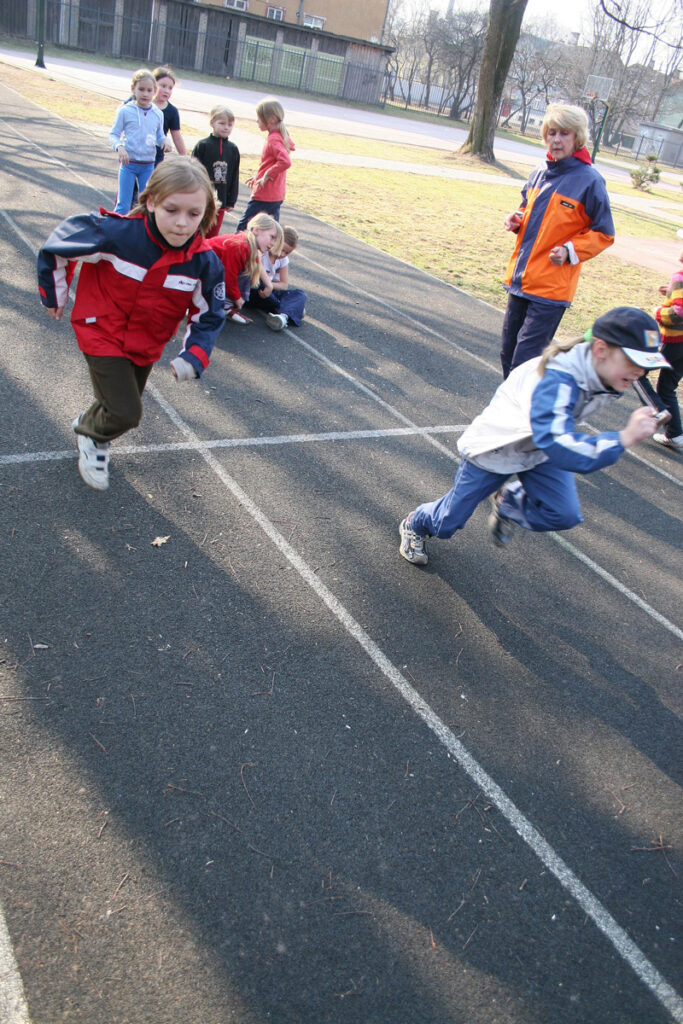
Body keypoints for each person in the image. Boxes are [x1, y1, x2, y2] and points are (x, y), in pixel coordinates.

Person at [398, 307, 669, 567]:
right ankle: (416, 522)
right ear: (600, 350)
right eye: (634, 363)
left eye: (646, 366)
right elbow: (561, 447)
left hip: (542, 447)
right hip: (498, 449)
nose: (641, 373)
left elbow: (554, 439)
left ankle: (508, 500)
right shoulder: (557, 381)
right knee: (446, 523)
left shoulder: (604, 372)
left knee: (563, 513)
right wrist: (624, 437)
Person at [37, 157, 225, 491]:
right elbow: (57, 247)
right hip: (101, 330)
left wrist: (194, 355)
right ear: (151, 201)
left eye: (193, 214)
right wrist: (55, 293)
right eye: (171, 210)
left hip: (147, 342)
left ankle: (92, 421)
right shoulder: (116, 234)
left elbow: (210, 313)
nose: (182, 223)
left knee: (119, 402)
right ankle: (90, 435)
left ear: (206, 212)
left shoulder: (203, 263)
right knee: (127, 413)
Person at [500, 104, 614, 378]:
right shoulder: (539, 171)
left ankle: (522, 417)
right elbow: (528, 208)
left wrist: (569, 250)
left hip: (550, 291)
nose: (557, 139)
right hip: (521, 280)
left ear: (578, 138)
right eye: (552, 132)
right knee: (507, 355)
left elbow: (604, 233)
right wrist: (516, 219)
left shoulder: (589, 181)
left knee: (523, 365)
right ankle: (518, 412)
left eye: (565, 133)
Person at [109, 68, 170, 214]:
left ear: (154, 91)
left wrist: (165, 141)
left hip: (148, 165)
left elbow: (159, 136)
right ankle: (118, 232)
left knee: (147, 205)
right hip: (128, 164)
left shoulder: (158, 114)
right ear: (133, 89)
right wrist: (119, 147)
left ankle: (144, 233)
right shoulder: (125, 111)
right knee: (123, 204)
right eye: (141, 89)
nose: (145, 94)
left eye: (149, 90)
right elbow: (114, 134)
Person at [206, 213, 283, 325]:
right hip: (194, 269)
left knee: (249, 269)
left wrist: (268, 284)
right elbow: (228, 276)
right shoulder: (239, 246)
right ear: (256, 230)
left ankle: (220, 304)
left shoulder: (248, 247)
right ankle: (207, 304)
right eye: (272, 237)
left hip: (206, 270)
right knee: (245, 271)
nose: (272, 244)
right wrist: (237, 297)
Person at [235, 97, 294, 231]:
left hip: (266, 194)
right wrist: (258, 175)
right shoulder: (278, 137)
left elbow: (285, 161)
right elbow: (272, 162)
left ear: (271, 119)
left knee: (244, 229)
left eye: (259, 118)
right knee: (269, 231)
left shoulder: (274, 138)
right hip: (275, 194)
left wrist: (266, 175)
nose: (257, 121)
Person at [650, 245, 683, 449]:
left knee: (638, 373)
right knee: (667, 386)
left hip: (674, 341)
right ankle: (675, 434)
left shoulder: (680, 276)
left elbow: (679, 312)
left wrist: (659, 311)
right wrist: (670, 293)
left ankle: (659, 413)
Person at [192, 105, 240, 238]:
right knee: (196, 230)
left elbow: (234, 175)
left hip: (221, 200)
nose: (226, 127)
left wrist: (231, 200)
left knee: (212, 235)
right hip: (202, 198)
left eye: (230, 125)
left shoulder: (233, 149)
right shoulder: (203, 145)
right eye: (222, 123)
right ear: (212, 123)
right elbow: (192, 170)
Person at [248, 225, 306, 331]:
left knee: (300, 294)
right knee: (260, 283)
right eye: (282, 249)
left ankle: (282, 318)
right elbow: (255, 274)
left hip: (269, 293)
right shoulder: (263, 251)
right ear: (276, 241)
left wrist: (270, 285)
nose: (282, 254)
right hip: (255, 290)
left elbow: (284, 285)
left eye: (287, 252)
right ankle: (290, 309)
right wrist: (267, 284)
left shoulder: (283, 260)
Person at [151, 66, 187, 165]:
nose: (167, 90)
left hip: (156, 157)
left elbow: (176, 135)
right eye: (163, 86)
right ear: (153, 85)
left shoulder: (172, 111)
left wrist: (184, 157)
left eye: (170, 88)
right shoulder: (143, 104)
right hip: (137, 153)